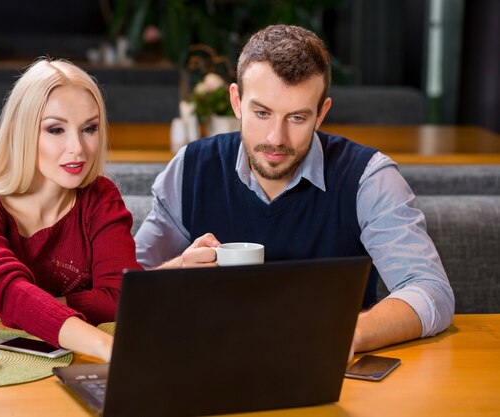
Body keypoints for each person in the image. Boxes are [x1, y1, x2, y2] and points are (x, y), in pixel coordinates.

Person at [134, 25, 454, 357]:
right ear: (236, 101)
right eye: (261, 113)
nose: (276, 138)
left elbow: (431, 291)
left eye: (297, 118)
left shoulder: (368, 177)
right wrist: (175, 273)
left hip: (331, 376)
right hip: (208, 362)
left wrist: (347, 334)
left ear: (322, 113)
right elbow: (124, 286)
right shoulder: (191, 168)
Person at [0, 59, 141, 361]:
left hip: (74, 360)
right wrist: (112, 349)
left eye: (89, 128)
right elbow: (11, 292)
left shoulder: (101, 198)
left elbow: (121, 298)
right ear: (22, 132)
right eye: (56, 129)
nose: (78, 148)